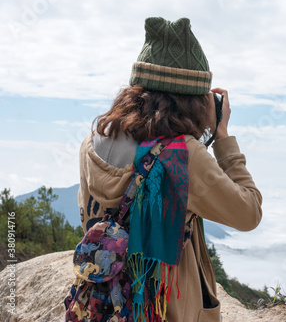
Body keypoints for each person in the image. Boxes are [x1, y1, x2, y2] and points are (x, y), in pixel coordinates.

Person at [76, 17, 262, 321]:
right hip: (166, 311)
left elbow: (87, 216)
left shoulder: (92, 141)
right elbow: (249, 212)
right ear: (195, 100)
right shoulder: (183, 156)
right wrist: (223, 135)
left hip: (105, 302)